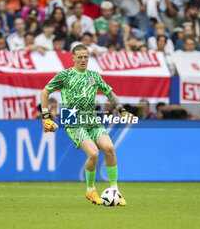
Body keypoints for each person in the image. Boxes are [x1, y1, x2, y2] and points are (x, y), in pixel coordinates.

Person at [40, 44, 133, 206]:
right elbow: (45, 92)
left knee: (110, 149)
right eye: (80, 57)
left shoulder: (94, 76)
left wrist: (122, 111)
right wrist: (45, 117)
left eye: (86, 57)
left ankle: (114, 190)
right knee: (94, 153)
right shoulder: (65, 75)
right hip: (73, 119)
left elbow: (109, 93)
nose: (83, 60)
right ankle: (90, 190)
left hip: (92, 119)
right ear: (74, 58)